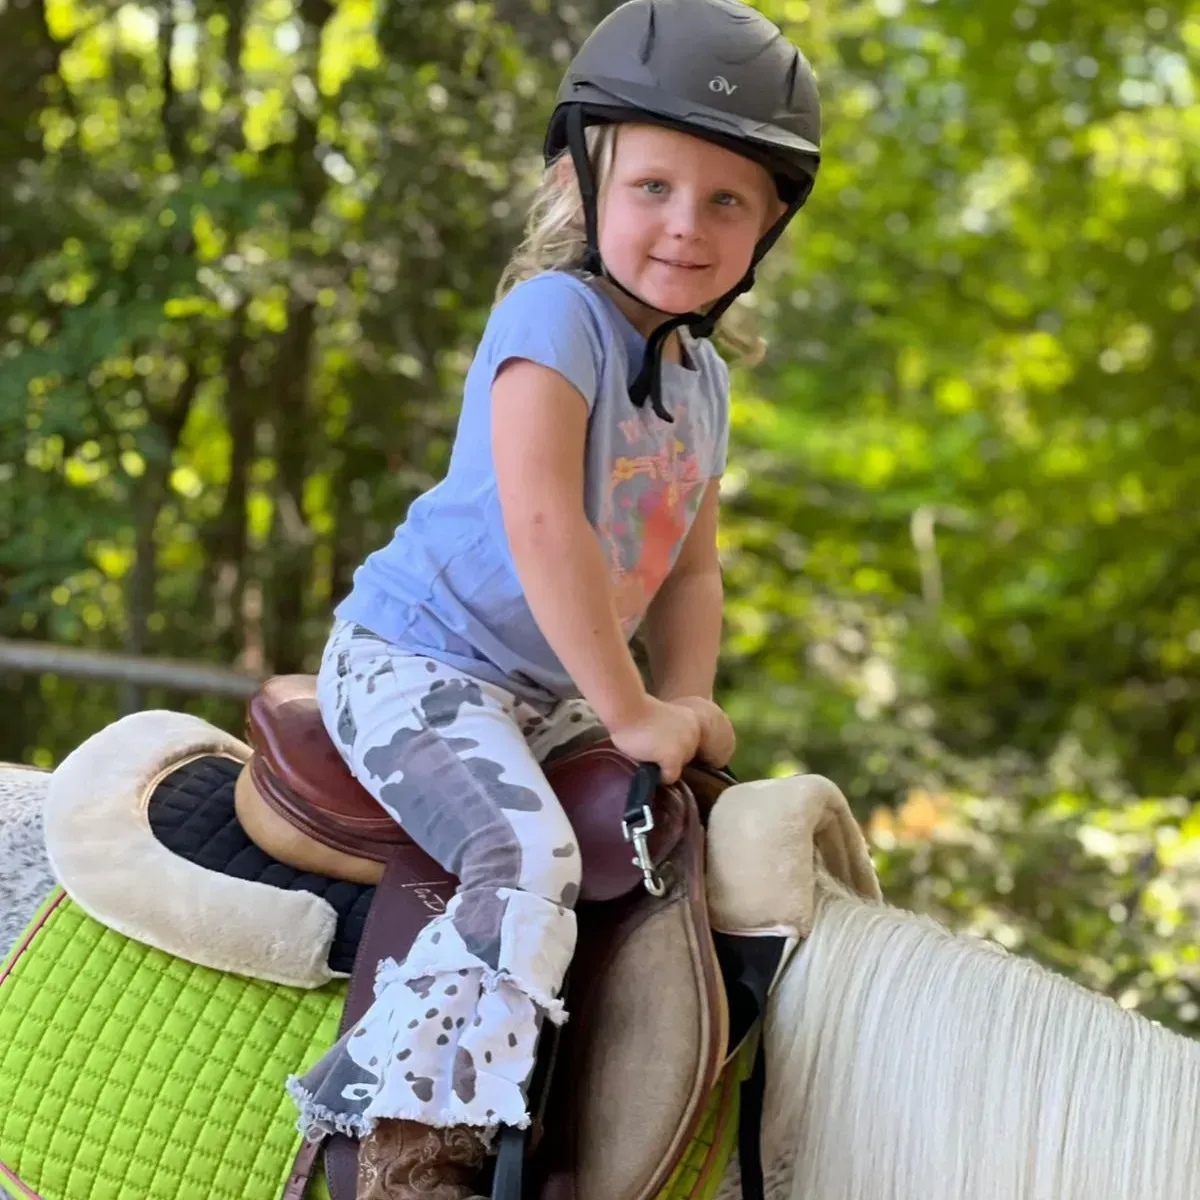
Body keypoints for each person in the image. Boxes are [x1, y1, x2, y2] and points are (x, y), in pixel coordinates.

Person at [286, 1, 821, 1196]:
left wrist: (688, 698)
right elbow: (544, 521)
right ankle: (412, 1147)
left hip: (544, 689)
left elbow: (689, 565)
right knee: (525, 854)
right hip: (417, 665)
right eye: (655, 187)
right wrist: (633, 708)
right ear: (590, 180)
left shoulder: (704, 383)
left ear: (768, 226)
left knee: (692, 835)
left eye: (728, 200)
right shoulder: (551, 319)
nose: (687, 225)